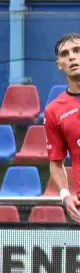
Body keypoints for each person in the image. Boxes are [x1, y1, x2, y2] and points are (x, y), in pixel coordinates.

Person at [47, 33, 80, 222]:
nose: (72, 57)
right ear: (60, 64)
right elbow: (56, 162)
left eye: (77, 50)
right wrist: (65, 194)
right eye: (65, 54)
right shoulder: (54, 111)